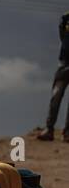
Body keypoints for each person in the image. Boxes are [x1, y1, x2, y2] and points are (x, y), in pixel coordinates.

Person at [37, 12, 69, 141]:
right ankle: (49, 129)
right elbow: (62, 36)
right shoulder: (66, 17)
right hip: (64, 62)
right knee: (56, 96)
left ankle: (67, 133)